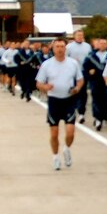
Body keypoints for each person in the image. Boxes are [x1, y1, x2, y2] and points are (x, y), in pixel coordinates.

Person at [35, 37, 84, 171]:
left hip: (69, 100)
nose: (60, 49)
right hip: (54, 101)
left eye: (62, 46)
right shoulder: (47, 64)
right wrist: (45, 87)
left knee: (70, 132)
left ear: (65, 48)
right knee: (54, 133)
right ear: (53, 48)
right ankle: (55, 157)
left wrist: (77, 89)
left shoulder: (73, 63)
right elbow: (38, 83)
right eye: (57, 47)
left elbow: (80, 80)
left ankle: (67, 149)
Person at [83, 38, 107, 130]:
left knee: (106, 100)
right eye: (101, 43)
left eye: (104, 43)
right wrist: (89, 73)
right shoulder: (91, 56)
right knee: (96, 100)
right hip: (95, 81)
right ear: (97, 45)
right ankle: (97, 118)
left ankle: (105, 116)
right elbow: (85, 67)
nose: (102, 45)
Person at [66, 30, 93, 124]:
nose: (80, 37)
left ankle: (81, 112)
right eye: (78, 35)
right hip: (72, 72)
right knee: (74, 91)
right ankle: (73, 109)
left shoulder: (87, 46)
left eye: (81, 35)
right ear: (74, 36)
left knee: (83, 92)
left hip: (84, 72)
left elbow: (91, 58)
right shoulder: (69, 47)